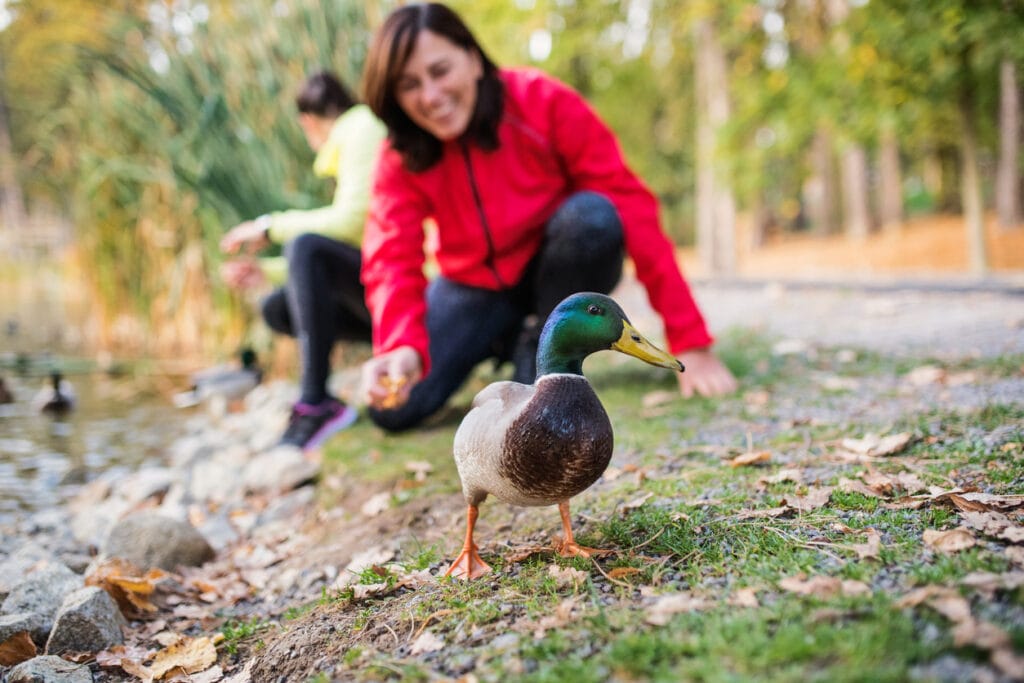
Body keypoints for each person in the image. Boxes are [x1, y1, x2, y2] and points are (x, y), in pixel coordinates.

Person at [358, 3, 737, 431]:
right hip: (474, 288)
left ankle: (537, 340)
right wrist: (399, 345)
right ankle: (505, 340)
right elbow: (391, 256)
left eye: (440, 71)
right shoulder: (400, 154)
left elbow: (633, 209)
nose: (430, 96)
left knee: (592, 216)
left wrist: (690, 340)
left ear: (472, 58)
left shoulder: (542, 101)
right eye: (409, 85)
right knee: (394, 410)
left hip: (558, 273)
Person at [220, 70, 386, 450]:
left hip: (419, 290)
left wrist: (269, 227)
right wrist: (266, 270)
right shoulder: (357, 133)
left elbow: (351, 221)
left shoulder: (362, 128)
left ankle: (315, 403)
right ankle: (320, 402)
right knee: (277, 308)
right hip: (381, 282)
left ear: (307, 122)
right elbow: (365, 243)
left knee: (305, 246)